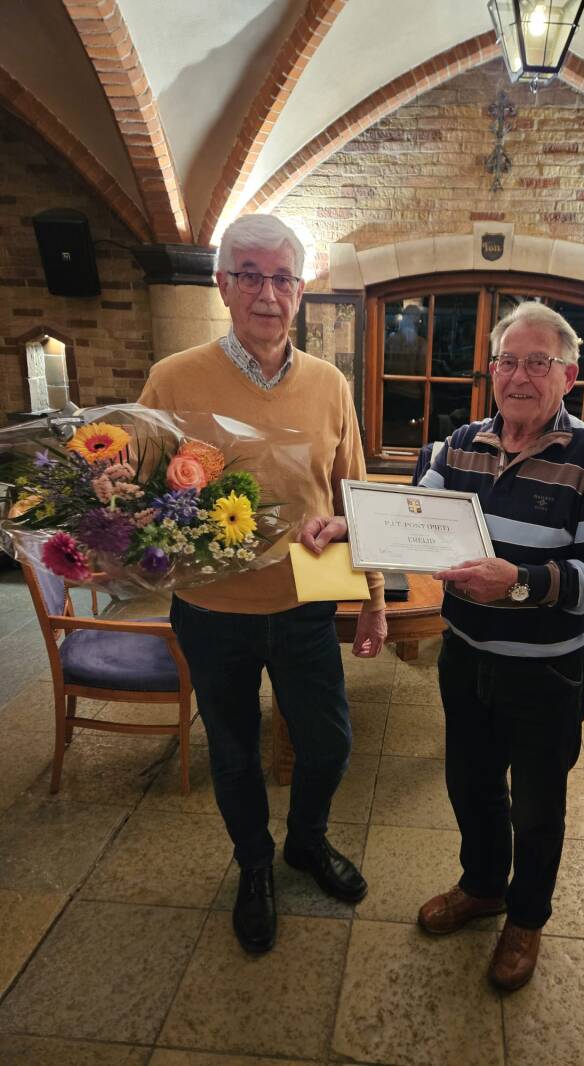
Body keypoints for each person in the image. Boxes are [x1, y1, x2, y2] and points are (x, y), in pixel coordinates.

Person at [138, 214, 387, 955]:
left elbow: (354, 498)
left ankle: (305, 841)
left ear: (300, 291)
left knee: (329, 744)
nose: (267, 294)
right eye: (250, 275)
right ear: (223, 285)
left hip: (307, 599)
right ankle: (254, 865)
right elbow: (139, 490)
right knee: (234, 750)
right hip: (211, 609)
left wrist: (374, 599)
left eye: (282, 278)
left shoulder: (329, 383)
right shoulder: (173, 378)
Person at [412, 302, 584, 991]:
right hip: (465, 656)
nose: (519, 376)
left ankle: (527, 918)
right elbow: (411, 517)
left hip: (548, 671)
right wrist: (349, 526)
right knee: (470, 784)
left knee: (537, 806)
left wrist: (520, 582)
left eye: (538, 362)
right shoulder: (461, 444)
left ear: (569, 375)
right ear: (491, 370)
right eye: (508, 361)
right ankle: (483, 887)